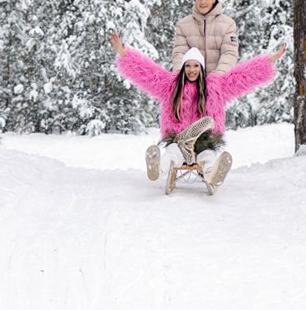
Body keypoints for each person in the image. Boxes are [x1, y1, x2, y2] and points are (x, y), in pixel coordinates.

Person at [110, 32, 286, 191]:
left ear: (201, 68)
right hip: (179, 139)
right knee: (173, 154)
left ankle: (212, 174)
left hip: (204, 138)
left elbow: (242, 77)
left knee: (208, 155)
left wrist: (268, 61)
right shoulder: (170, 85)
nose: (191, 70)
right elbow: (148, 73)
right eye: (188, 66)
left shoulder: (216, 86)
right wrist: (124, 53)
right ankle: (158, 168)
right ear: (183, 68)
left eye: (195, 66)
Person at [172, 0, 238, 75]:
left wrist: (217, 78)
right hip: (193, 83)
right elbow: (179, 54)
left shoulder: (228, 24)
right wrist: (181, 79)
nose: (203, 2)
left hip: (218, 83)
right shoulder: (183, 25)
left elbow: (229, 53)